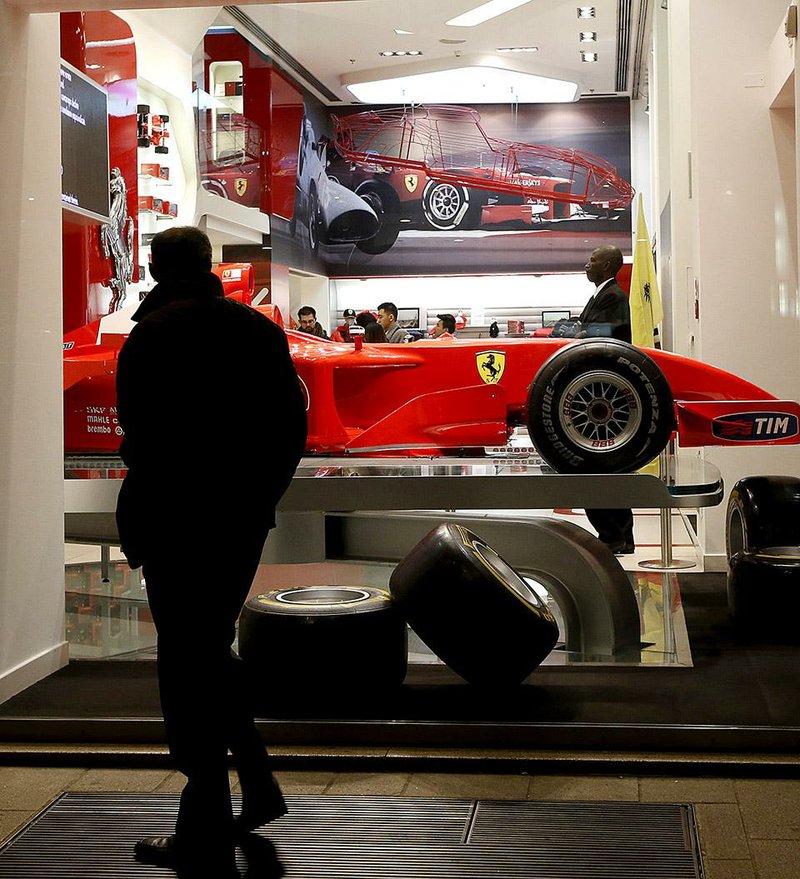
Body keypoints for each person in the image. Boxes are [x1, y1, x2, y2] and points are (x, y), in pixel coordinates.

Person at [115, 227, 307, 878]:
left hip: (174, 518)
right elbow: (290, 427)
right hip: (237, 519)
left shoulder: (152, 336)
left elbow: (140, 437)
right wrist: (257, 496)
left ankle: (205, 826)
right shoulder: (256, 332)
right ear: (209, 265)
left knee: (188, 661)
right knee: (207, 647)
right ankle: (254, 781)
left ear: (155, 268)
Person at [579, 244, 635, 554]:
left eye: (592, 260)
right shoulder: (602, 294)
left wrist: (577, 334)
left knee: (602, 466)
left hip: (603, 396)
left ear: (608, 265)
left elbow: (611, 333)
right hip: (598, 392)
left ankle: (615, 534)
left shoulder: (613, 296)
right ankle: (618, 535)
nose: (586, 264)